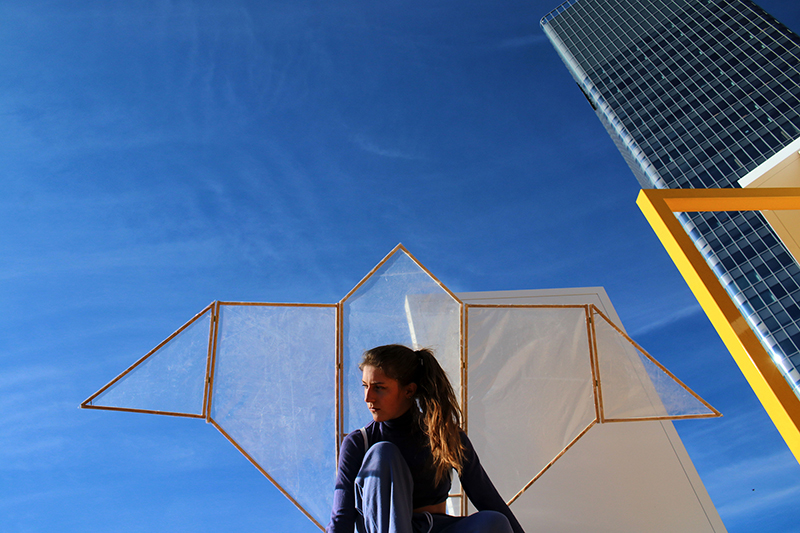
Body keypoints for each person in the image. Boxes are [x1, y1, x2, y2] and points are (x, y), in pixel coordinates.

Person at [327, 344, 525, 533]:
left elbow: (486, 497)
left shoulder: (444, 434)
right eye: (365, 386)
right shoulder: (358, 442)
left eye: (379, 387)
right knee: (382, 453)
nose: (368, 397)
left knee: (494, 521)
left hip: (437, 527)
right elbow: (341, 517)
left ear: (409, 390)